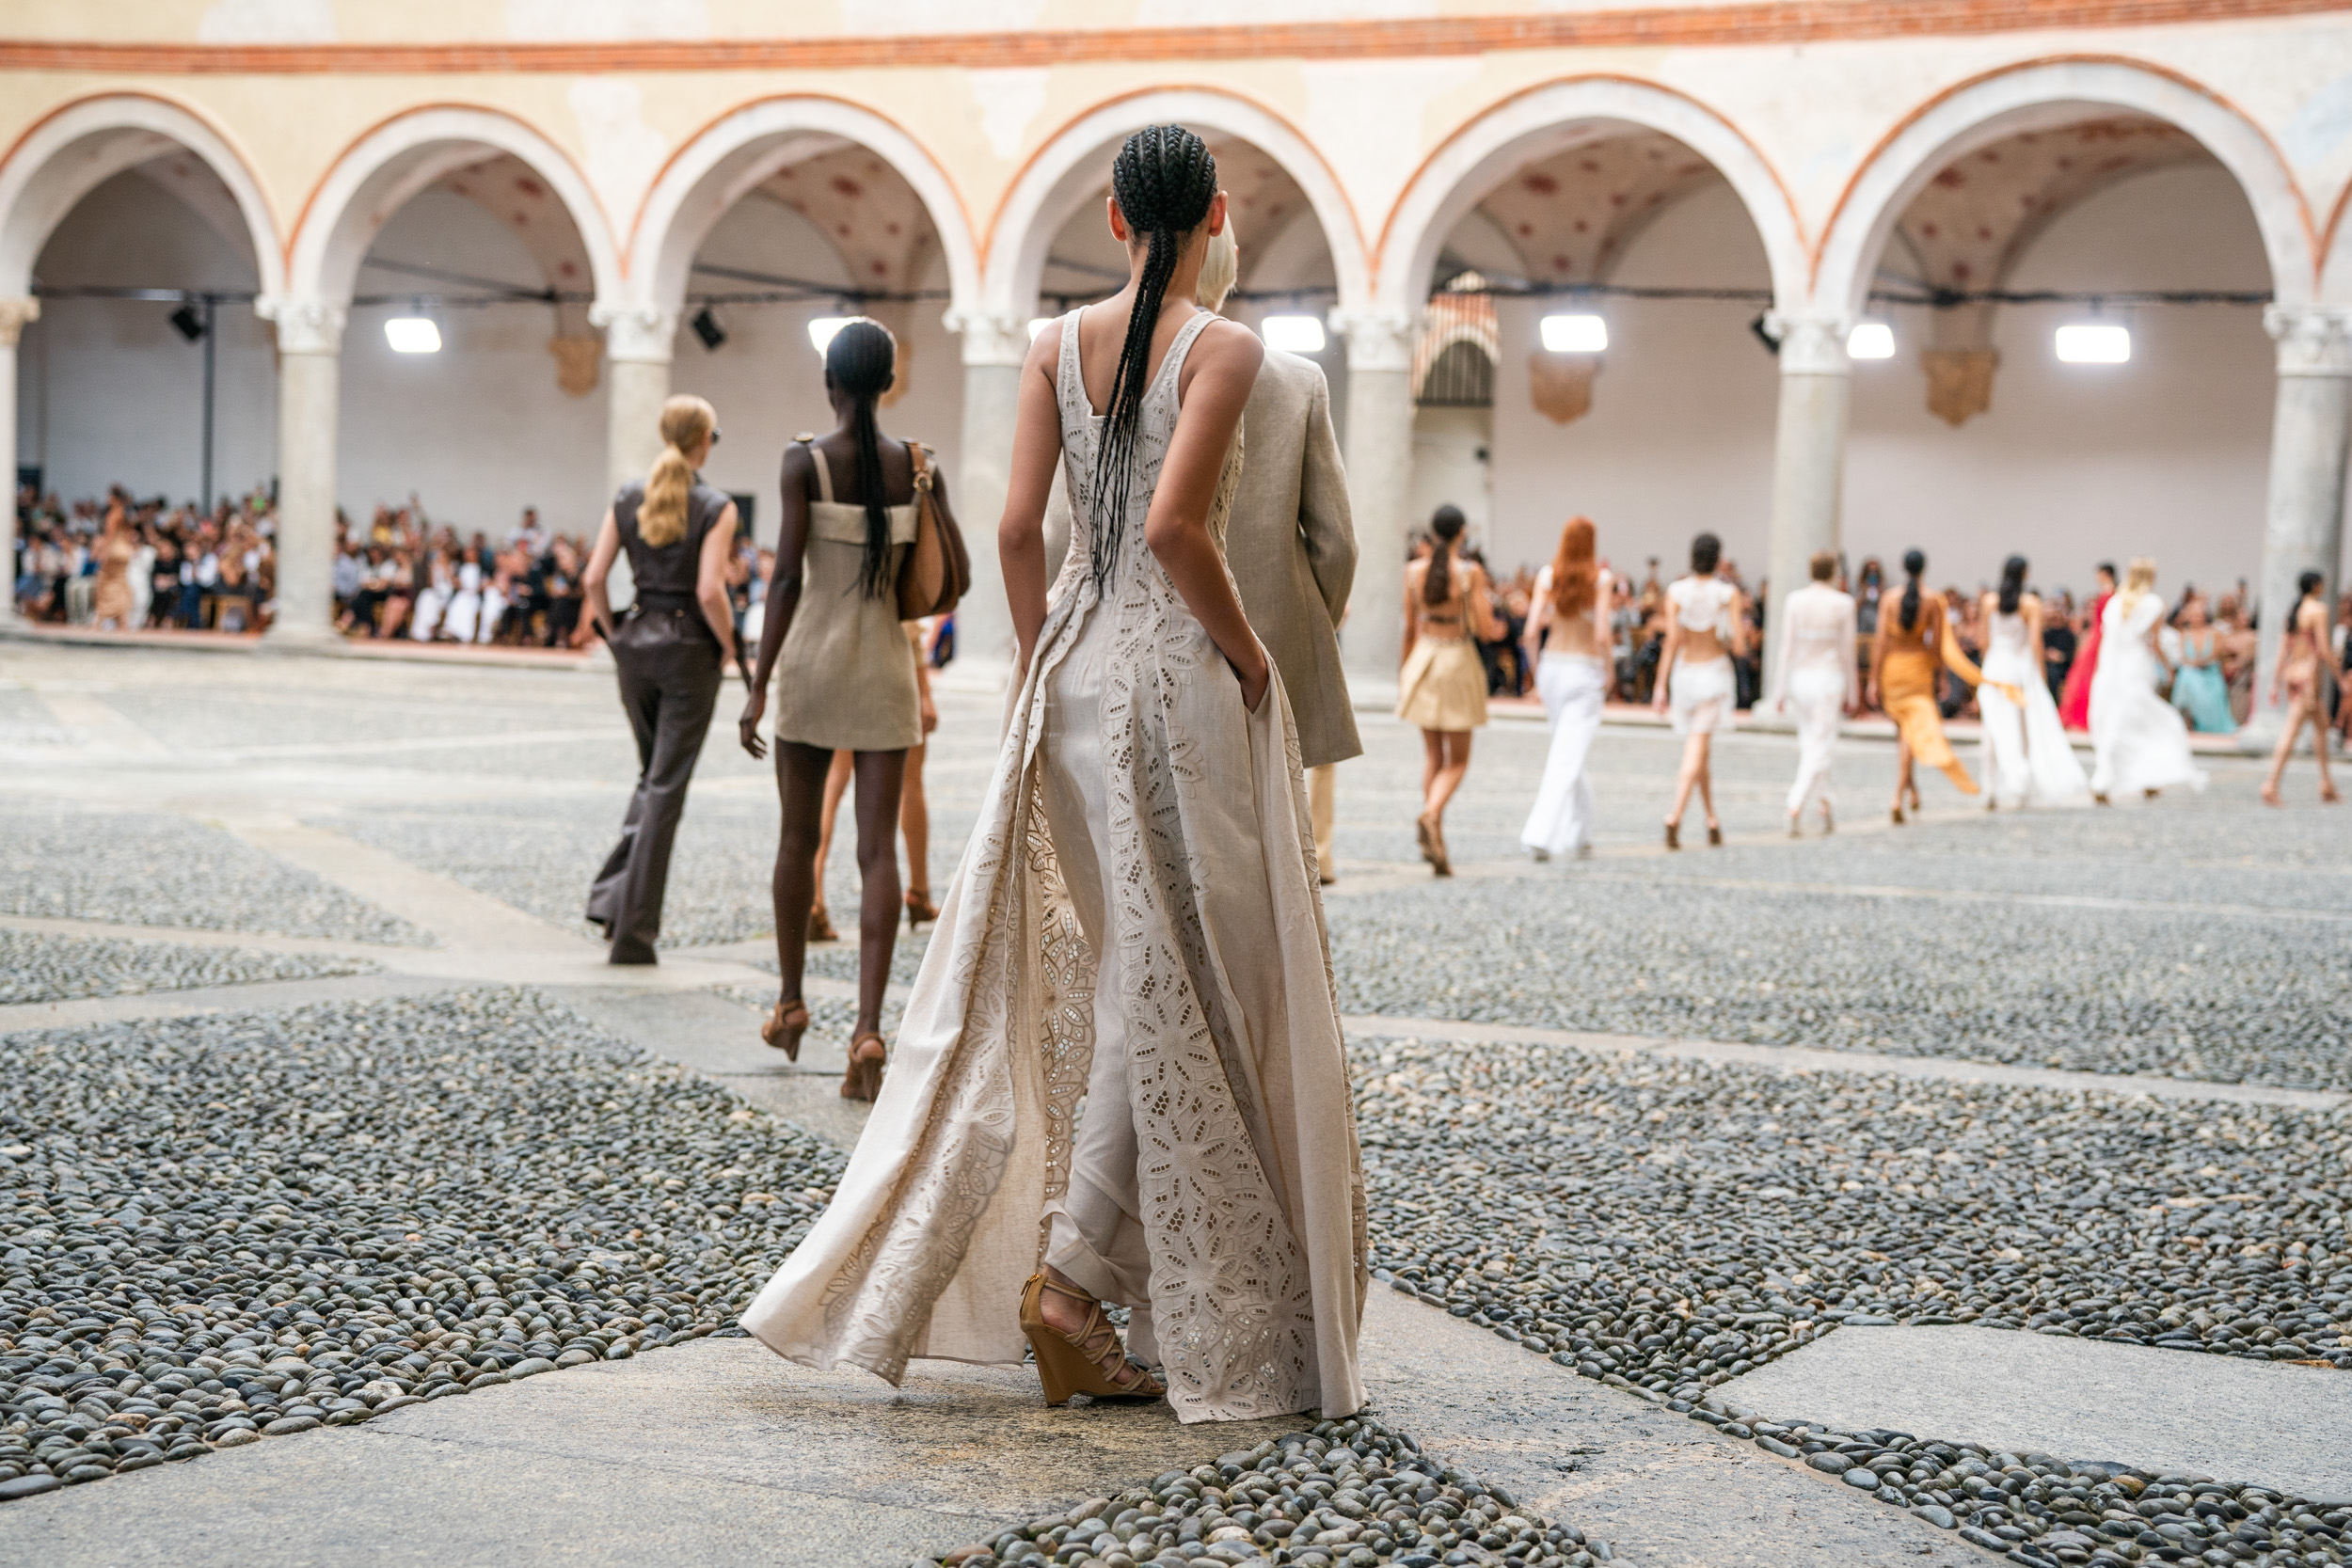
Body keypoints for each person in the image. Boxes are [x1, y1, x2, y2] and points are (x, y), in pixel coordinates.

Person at [740, 124, 1365, 1425]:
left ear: (1113, 216)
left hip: (1074, 673)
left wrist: (1040, 653)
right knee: (1183, 972)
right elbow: (1175, 528)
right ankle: (1078, 1279)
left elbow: (1025, 527)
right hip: (1178, 676)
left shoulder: (1045, 346)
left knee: (1144, 968)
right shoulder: (1228, 347)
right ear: (1218, 216)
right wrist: (1249, 657)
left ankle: (1083, 1278)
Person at [737, 318, 944, 1100]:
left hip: (813, 670)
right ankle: (866, 1029)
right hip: (886, 669)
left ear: (830, 381)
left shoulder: (805, 464)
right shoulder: (917, 467)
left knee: (797, 839)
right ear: (888, 383)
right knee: (878, 852)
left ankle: (790, 1004)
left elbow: (784, 578)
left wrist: (757, 685)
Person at [1202, 219, 1360, 886]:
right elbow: (1337, 542)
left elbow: (1058, 533)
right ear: (1232, 260)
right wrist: (1312, 616)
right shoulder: (1296, 383)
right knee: (1261, 851)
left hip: (1144, 643)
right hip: (1267, 647)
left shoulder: (1105, 366)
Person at [581, 394, 742, 965]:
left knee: (651, 778)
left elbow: (594, 576)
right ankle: (634, 933)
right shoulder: (716, 506)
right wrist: (732, 647)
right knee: (666, 789)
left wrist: (613, 634)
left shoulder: (628, 495)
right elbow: (707, 591)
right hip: (687, 654)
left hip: (636, 648)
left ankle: (610, 901)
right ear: (704, 442)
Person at [1397, 505, 1499, 875]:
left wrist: (1403, 676)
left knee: (1432, 757)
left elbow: (1409, 629)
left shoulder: (1412, 571)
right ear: (1462, 532)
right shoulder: (1470, 572)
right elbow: (1486, 629)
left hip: (1424, 658)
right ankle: (1431, 815)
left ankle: (1436, 839)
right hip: (1456, 658)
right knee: (1457, 760)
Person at [1869, 548, 1986, 822]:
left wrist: (1874, 679)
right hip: (1918, 668)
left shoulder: (1889, 598)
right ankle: (1903, 793)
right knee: (1909, 735)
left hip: (1894, 670)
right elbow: (1937, 645)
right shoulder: (1933, 600)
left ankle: (1906, 792)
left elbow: (1881, 642)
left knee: (1905, 734)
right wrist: (1941, 676)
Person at [1519, 516, 1611, 859]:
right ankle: (1540, 833)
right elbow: (1602, 633)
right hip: (1584, 669)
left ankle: (1581, 829)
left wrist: (1536, 671)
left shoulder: (1548, 576)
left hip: (1553, 667)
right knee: (1567, 753)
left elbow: (1530, 633)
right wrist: (1610, 670)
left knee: (1568, 749)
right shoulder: (1600, 579)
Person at [1652, 531, 1745, 847]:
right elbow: (1739, 643)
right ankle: (1675, 813)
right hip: (1714, 673)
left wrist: (1659, 686)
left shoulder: (1677, 592)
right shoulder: (1726, 594)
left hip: (1685, 674)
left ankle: (1711, 819)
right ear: (1718, 559)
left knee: (1701, 750)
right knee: (1696, 747)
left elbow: (1671, 643)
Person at [1975, 556, 2089, 810]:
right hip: (2017, 669)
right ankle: (2021, 787)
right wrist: (2041, 676)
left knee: (1991, 729)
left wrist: (1985, 670)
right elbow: (2036, 643)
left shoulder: (1988, 601)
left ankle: (1989, 788)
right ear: (2025, 575)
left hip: (1994, 668)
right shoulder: (2030, 604)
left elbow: (1983, 639)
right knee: (2022, 729)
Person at [2089, 558, 2206, 803]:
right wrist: (2168, 667)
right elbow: (2155, 641)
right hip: (2137, 666)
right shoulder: (2152, 603)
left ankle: (2130, 778)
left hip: (2113, 669)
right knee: (2148, 721)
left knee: (2117, 720)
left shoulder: (2114, 603)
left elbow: (2107, 641)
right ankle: (2140, 778)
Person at [1768, 548, 1859, 836]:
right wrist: (1854, 690)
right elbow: (1848, 652)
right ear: (1833, 572)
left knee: (1814, 742)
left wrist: (1779, 688)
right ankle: (1795, 803)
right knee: (1820, 744)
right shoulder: (1843, 603)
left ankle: (1824, 803)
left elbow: (1786, 648)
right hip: (1827, 679)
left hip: (1801, 680)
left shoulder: (1795, 600)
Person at [2260, 568, 2339, 806]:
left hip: (2294, 675)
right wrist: (2341, 677)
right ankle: (2271, 784)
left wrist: (2275, 683)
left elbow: (2283, 650)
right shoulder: (2318, 611)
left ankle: (2326, 784)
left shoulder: (2294, 613)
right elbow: (2324, 650)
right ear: (2316, 586)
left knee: (2322, 727)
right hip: (2308, 679)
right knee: (2291, 731)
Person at [2058, 562, 2116, 730]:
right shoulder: (2110, 593)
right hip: (2096, 635)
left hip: (2100, 637)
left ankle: (2083, 715)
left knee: (2087, 676)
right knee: (2084, 675)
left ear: (2105, 574)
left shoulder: (2109, 592)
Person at [2169, 592, 2235, 736]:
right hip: (2191, 673)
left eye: (2199, 614)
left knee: (2188, 677)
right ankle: (2187, 720)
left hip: (2209, 674)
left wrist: (2200, 662)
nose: (2196, 617)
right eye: (2193, 614)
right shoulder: (2184, 634)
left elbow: (2216, 655)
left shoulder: (2215, 633)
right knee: (2186, 676)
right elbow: (2183, 657)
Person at [89, 498, 136, 630]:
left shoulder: (114, 514)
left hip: (114, 550)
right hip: (125, 550)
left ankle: (99, 619)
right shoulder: (128, 513)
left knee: (104, 583)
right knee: (120, 583)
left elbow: (110, 533)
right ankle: (122, 620)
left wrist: (102, 551)